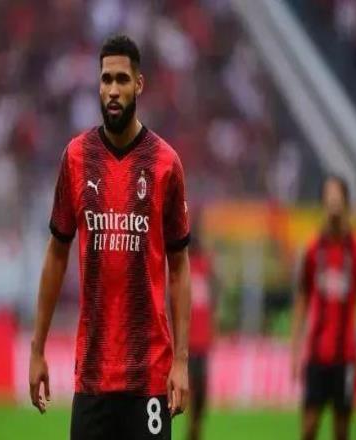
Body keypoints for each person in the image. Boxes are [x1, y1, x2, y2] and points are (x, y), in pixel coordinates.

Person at [29, 35, 191, 440]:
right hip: (93, 376)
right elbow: (56, 254)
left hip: (149, 375)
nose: (113, 90)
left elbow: (179, 266)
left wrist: (181, 361)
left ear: (139, 84)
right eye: (106, 79)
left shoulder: (166, 164)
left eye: (121, 79)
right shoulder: (76, 158)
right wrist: (36, 349)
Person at [290, 175, 356, 440]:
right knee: (309, 427)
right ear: (323, 204)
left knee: (341, 430)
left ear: (346, 203)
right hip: (316, 355)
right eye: (329, 197)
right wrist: (295, 349)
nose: (333, 202)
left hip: (345, 356)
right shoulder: (313, 249)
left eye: (337, 197)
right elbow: (302, 297)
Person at [187, 234, 216, 440]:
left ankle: (195, 431)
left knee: (200, 396)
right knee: (191, 393)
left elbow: (213, 303)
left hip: (201, 344)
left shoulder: (206, 268)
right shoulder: (183, 268)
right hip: (188, 344)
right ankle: (193, 430)